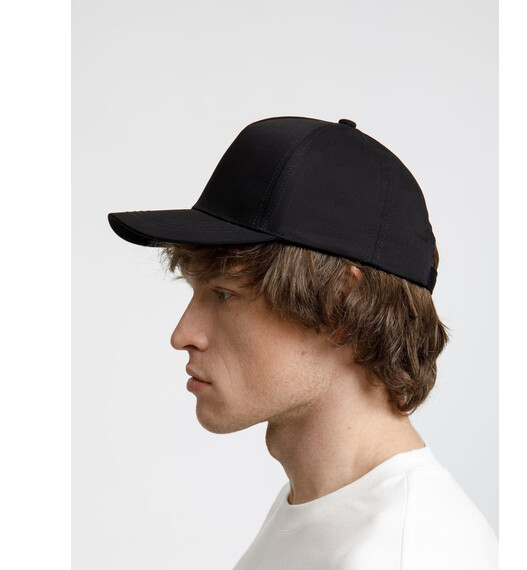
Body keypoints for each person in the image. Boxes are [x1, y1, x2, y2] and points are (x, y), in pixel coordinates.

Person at [108, 116, 498, 569]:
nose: (183, 336)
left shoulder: (403, 554)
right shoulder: (321, 508)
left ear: (342, 306)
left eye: (224, 294)